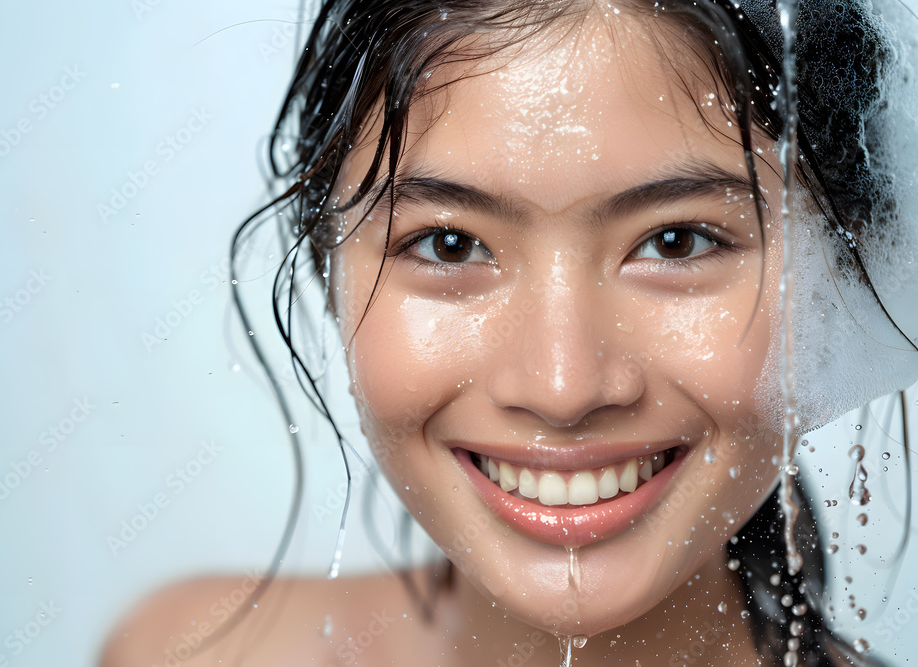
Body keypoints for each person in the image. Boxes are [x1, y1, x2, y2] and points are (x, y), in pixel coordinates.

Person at [101, 0, 918, 665]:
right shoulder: (189, 651)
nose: (561, 388)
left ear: (845, 270)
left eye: (678, 240)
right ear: (328, 267)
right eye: (449, 243)